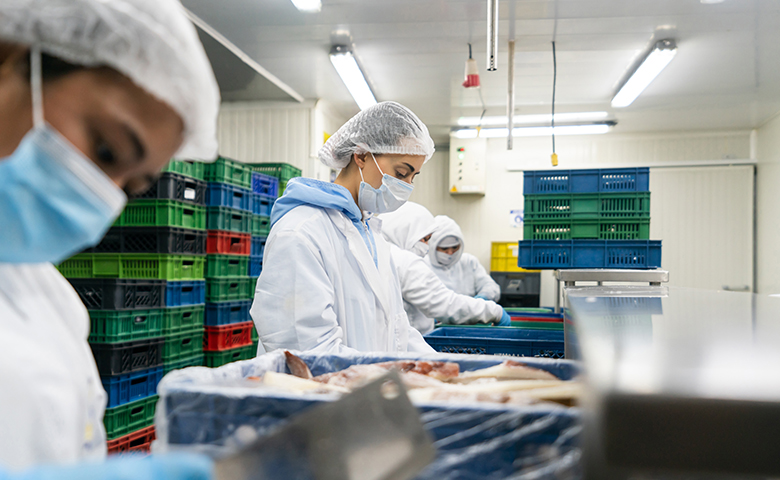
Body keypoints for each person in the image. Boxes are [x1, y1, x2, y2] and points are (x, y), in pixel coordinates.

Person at [0, 0, 219, 478]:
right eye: (106, 149)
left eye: (130, 186)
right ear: (13, 52)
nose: (101, 198)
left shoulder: (53, 306)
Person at [251, 101, 436, 354]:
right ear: (361, 155)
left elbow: (395, 328)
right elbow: (304, 349)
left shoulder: (371, 234)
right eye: (401, 173)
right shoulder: (300, 232)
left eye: (412, 177)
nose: (406, 186)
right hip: (320, 389)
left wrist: (448, 370)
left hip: (365, 386)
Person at [380, 202, 511, 334]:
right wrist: (494, 311)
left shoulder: (382, 254)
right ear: (404, 232)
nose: (426, 246)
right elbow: (447, 304)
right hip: (407, 344)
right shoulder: (404, 263)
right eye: (424, 239)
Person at [426, 216, 502, 301]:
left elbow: (490, 286)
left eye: (455, 247)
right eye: (444, 249)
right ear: (433, 247)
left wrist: (484, 296)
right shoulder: (423, 266)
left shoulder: (469, 262)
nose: (450, 253)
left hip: (469, 313)